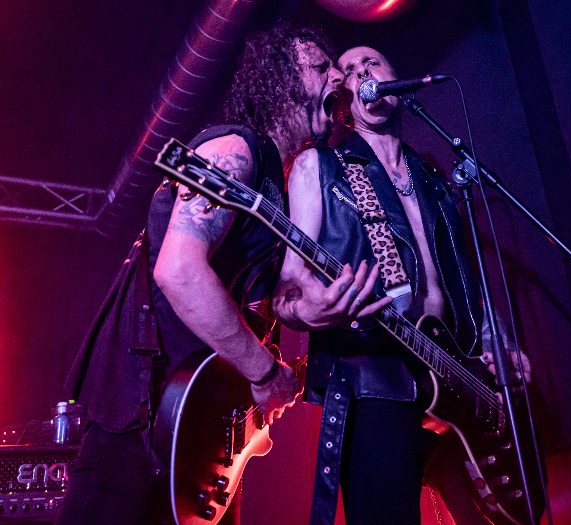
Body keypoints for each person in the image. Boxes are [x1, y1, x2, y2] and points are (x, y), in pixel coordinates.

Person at [56, 24, 343, 525]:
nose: (338, 77)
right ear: (281, 81)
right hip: (145, 409)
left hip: (203, 421)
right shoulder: (235, 150)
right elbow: (179, 271)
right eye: (322, 67)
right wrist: (263, 372)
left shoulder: (279, 182)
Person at [272, 46, 532, 525]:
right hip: (374, 383)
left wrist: (499, 342)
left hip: (456, 377)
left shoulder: (432, 177)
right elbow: (289, 288)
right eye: (350, 71)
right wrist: (309, 310)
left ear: (394, 77)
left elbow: (464, 279)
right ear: (344, 96)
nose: (362, 72)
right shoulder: (319, 168)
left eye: (372, 63)